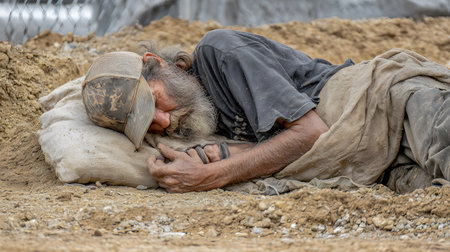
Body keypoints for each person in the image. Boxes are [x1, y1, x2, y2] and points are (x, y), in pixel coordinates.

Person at [82, 29, 449, 193]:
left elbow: (310, 133)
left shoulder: (219, 52)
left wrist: (212, 175)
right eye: (149, 123)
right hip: (372, 160)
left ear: (156, 63)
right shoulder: (199, 122)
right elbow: (276, 147)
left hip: (382, 100)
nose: (163, 121)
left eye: (154, 102)